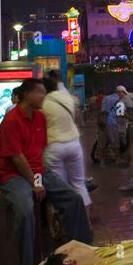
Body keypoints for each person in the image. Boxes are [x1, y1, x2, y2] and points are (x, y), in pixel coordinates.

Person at [0, 78, 93, 265]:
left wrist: (38, 180)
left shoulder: (39, 117)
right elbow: (17, 158)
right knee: (24, 210)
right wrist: (35, 183)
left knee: (73, 198)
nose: (43, 96)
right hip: (12, 175)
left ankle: (82, 249)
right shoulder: (11, 120)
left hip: (36, 171)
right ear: (26, 95)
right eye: (39, 92)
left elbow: (37, 153)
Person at [41, 77, 92, 213]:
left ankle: (63, 226)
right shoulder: (67, 98)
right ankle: (86, 223)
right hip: (74, 144)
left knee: (58, 187)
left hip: (53, 146)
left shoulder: (42, 103)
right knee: (79, 184)